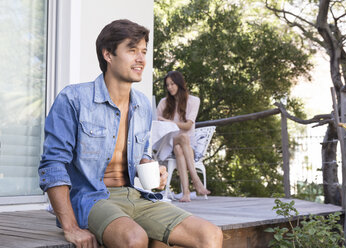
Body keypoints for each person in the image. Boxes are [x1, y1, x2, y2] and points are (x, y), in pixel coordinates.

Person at [38, 19, 223, 248]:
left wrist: (153, 169)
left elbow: (141, 153)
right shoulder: (74, 99)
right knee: (136, 239)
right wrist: (71, 227)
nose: (141, 59)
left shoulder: (142, 105)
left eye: (144, 51)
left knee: (211, 235)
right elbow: (53, 165)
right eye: (132, 50)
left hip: (137, 196)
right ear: (108, 55)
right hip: (91, 198)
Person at [157, 71, 211, 202]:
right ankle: (196, 181)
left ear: (180, 84)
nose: (170, 87)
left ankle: (186, 192)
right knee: (182, 139)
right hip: (169, 142)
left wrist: (170, 122)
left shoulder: (193, 100)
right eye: (167, 85)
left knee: (180, 147)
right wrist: (166, 122)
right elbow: (157, 122)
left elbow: (188, 126)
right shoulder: (164, 102)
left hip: (187, 146)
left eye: (172, 84)